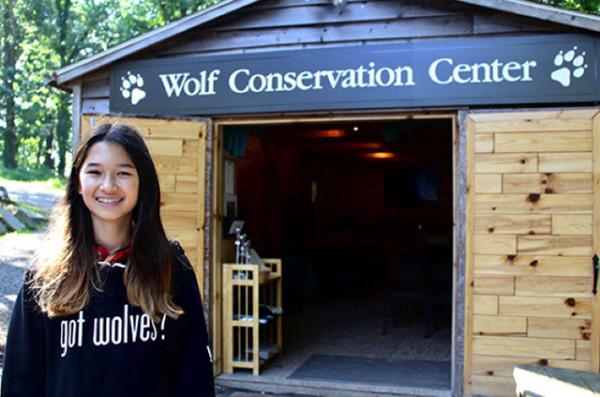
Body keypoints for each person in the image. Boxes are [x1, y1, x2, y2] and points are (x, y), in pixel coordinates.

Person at [1, 123, 215, 397]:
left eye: (123, 173)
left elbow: (193, 378)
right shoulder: (46, 275)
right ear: (78, 184)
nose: (108, 185)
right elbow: (19, 382)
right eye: (95, 172)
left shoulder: (171, 268)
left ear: (142, 183)